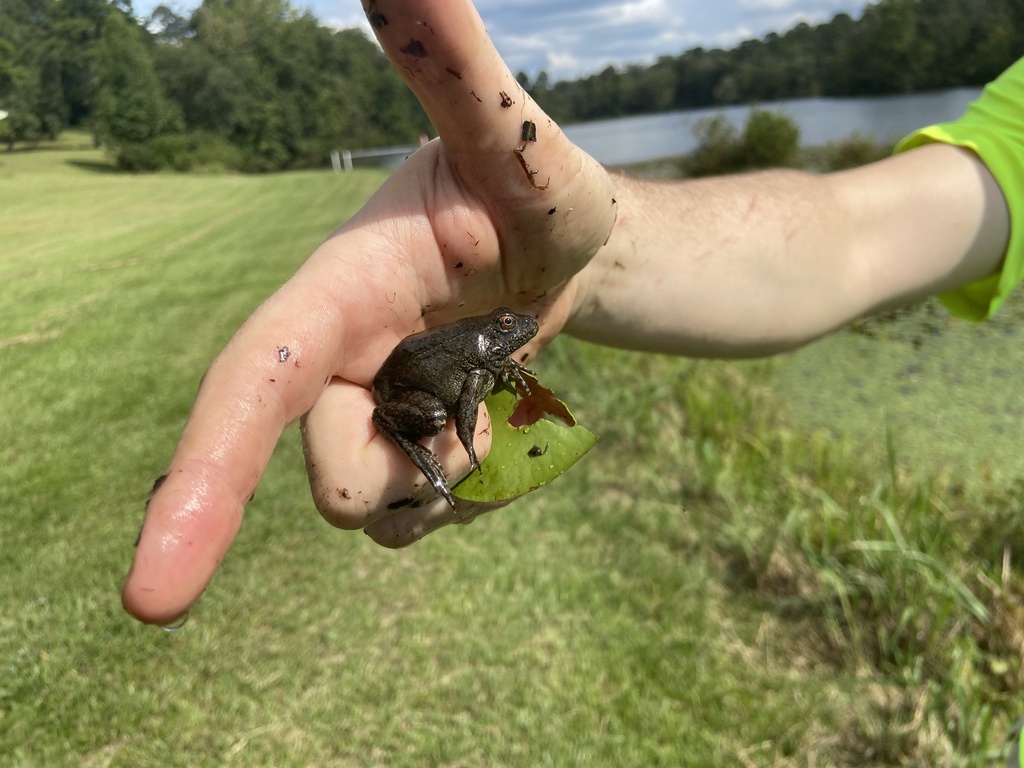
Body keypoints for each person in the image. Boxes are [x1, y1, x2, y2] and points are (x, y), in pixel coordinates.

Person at [122, 0, 1023, 627]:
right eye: (513, 332)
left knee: (453, 405)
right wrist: (583, 258)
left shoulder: (493, 348)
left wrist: (494, 371)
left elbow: (485, 363)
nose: (518, 333)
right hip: (420, 381)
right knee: (435, 414)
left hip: (442, 363)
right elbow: (854, 237)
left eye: (517, 331)